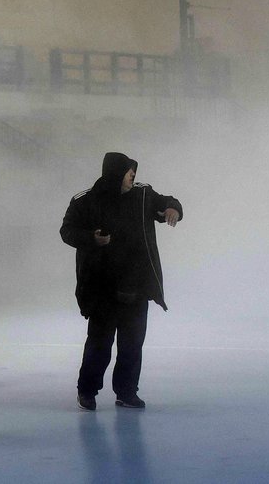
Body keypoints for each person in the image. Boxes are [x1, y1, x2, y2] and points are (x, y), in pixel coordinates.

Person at [61, 152, 182, 411]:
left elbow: (167, 202)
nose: (133, 176)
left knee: (132, 344)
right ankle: (87, 391)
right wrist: (91, 238)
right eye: (129, 172)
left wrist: (174, 208)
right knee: (99, 343)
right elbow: (67, 231)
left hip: (136, 284)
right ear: (116, 174)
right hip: (101, 286)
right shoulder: (85, 201)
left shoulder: (143, 196)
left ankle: (126, 392)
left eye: (133, 172)